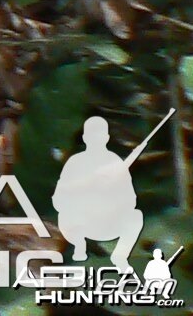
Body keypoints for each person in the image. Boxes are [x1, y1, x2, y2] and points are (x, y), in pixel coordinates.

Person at [54, 116, 146, 275]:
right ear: (85, 138)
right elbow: (59, 198)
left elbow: (130, 199)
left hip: (109, 220)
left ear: (106, 138)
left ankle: (120, 256)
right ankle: (79, 251)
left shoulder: (114, 160)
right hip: (80, 221)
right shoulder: (75, 162)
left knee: (135, 216)